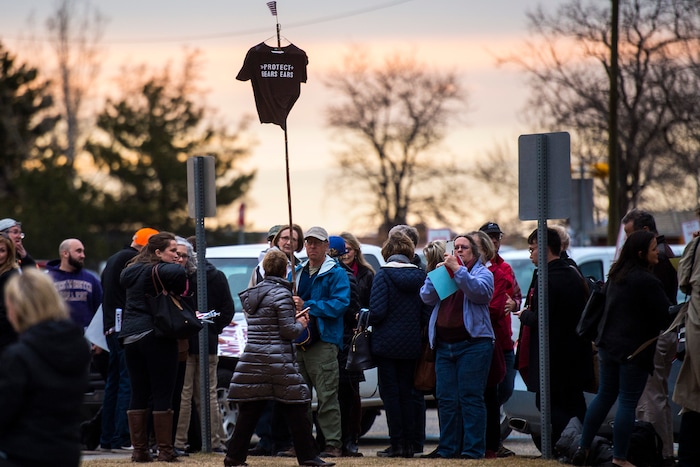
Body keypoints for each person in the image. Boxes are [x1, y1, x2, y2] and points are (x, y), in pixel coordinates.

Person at [224, 249, 335, 467]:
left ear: (264, 269)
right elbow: (287, 331)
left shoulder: (254, 294)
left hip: (254, 357)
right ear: (285, 270)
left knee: (249, 410)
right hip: (277, 360)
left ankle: (234, 457)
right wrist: (301, 323)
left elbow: (269, 324)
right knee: (298, 406)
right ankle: (308, 457)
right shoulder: (282, 295)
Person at [572, 230, 672, 467]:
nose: (657, 251)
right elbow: (665, 316)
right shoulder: (647, 281)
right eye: (652, 248)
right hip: (634, 351)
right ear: (640, 253)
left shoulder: (616, 275)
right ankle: (619, 458)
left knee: (605, 396)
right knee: (627, 402)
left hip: (608, 346)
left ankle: (583, 447)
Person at [0, 269, 92, 467]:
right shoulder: (77, 347)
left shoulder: (19, 356)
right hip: (65, 451)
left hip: (21, 454)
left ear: (18, 307)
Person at [516, 228, 593, 452]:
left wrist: (525, 315)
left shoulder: (548, 277)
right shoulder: (571, 271)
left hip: (554, 355)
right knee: (574, 403)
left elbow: (544, 318)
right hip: (574, 352)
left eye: (532, 249)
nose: (530, 255)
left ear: (544, 247)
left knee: (548, 402)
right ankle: (584, 444)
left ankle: (575, 444)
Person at [419, 233, 495, 459]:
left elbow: (480, 293)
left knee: (470, 397)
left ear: (474, 252)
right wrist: (442, 273)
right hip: (445, 345)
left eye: (464, 248)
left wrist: (459, 271)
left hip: (473, 345)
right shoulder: (447, 272)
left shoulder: (482, 273)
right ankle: (448, 449)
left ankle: (472, 450)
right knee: (447, 398)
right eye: (456, 247)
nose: (459, 251)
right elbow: (426, 297)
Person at [120, 231, 188, 462]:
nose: (177, 256)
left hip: (130, 337)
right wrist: (177, 265)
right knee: (162, 393)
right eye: (173, 252)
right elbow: (179, 274)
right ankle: (165, 450)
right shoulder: (157, 270)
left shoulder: (131, 271)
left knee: (138, 392)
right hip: (155, 335)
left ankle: (139, 451)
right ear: (157, 252)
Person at [623, 209, 678, 466]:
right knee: (659, 396)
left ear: (645, 233)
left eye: (630, 234)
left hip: (654, 337)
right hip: (664, 334)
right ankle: (664, 450)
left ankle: (654, 452)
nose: (628, 242)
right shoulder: (666, 254)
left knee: (650, 398)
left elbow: (650, 300)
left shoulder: (657, 260)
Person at [289, 226, 350, 459]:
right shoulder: (296, 272)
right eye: (309, 242)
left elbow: (340, 304)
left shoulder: (336, 273)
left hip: (323, 341)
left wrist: (308, 305)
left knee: (327, 396)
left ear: (327, 246)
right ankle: (303, 443)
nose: (312, 246)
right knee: (299, 398)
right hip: (298, 341)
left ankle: (333, 443)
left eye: (317, 243)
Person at [98, 227, 158, 454]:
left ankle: (107, 437)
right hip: (125, 327)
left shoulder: (114, 258)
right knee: (127, 383)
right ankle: (121, 436)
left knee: (113, 383)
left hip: (111, 326)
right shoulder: (130, 261)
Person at [367, 231, 427, 458]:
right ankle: (411, 445)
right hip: (411, 345)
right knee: (408, 393)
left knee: (391, 395)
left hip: (386, 345)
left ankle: (397, 444)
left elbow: (378, 312)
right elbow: (425, 313)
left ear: (389, 252)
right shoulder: (421, 276)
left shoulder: (383, 276)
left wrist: (365, 316)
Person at [174, 236, 235, 455]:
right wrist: (213, 328)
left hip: (185, 342)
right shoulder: (217, 275)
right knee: (208, 394)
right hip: (208, 342)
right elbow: (227, 309)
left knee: (184, 393)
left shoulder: (182, 276)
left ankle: (179, 442)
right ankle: (216, 441)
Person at [248, 224, 303, 457]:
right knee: (261, 393)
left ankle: (283, 439)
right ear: (275, 240)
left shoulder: (301, 268)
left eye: (293, 238)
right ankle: (265, 439)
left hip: (289, 337)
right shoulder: (260, 267)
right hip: (264, 337)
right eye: (284, 237)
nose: (288, 242)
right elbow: (250, 298)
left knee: (285, 393)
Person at [480, 221, 519, 458]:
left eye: (497, 236)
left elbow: (516, 295)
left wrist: (514, 303)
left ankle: (491, 439)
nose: (495, 240)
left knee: (505, 390)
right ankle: (490, 442)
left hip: (505, 340)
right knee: (490, 394)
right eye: (490, 236)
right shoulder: (480, 268)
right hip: (487, 339)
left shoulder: (505, 267)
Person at [470, 230, 510, 459]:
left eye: (474, 248)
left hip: (488, 340)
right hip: (467, 341)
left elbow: (494, 308)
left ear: (484, 250)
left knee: (488, 396)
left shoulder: (494, 273)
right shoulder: (461, 273)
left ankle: (490, 445)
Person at [339, 231, 375, 456]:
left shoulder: (366, 274)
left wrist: (361, 321)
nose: (344, 255)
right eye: (341, 251)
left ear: (356, 251)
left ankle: (352, 437)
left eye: (348, 250)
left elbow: (371, 305)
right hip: (337, 335)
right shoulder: (332, 273)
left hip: (355, 336)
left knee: (352, 392)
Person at [327, 236, 362, 457]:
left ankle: (348, 441)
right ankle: (336, 440)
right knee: (334, 395)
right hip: (335, 341)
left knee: (347, 396)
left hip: (345, 342)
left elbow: (353, 312)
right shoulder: (331, 274)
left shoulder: (346, 277)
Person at [673, 233, 700, 467]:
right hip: (696, 331)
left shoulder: (696, 245)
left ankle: (687, 459)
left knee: (692, 403)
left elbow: (683, 281)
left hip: (694, 331)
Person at [46, 238, 103, 329]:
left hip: (85, 337)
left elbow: (100, 310)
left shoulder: (91, 279)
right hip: (57, 335)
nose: (83, 255)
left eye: (83, 251)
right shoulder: (48, 280)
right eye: (78, 251)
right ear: (65, 253)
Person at [0, 233, 19, 356]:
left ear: (9, 254)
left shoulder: (11, 277)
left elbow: (6, 312)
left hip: (6, 341)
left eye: (2, 250)